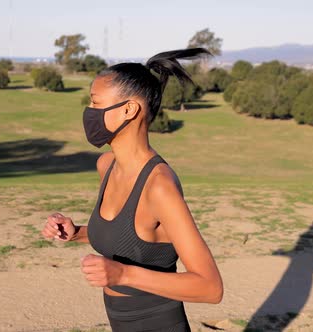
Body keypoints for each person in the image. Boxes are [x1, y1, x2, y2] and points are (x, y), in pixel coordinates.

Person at [41, 48, 223, 331]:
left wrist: (123, 274)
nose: (89, 114)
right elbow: (130, 238)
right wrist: (76, 232)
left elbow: (210, 288)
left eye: (95, 103)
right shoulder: (107, 165)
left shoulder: (159, 186)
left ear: (129, 109)